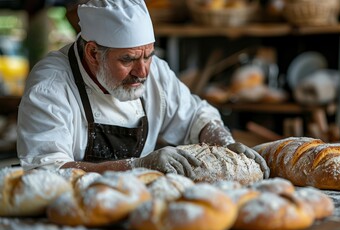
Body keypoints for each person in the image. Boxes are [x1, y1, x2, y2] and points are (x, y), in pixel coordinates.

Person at [17, 0, 269, 179]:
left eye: (148, 55)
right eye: (127, 59)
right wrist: (134, 166)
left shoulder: (155, 71)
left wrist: (225, 143)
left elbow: (195, 116)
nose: (143, 71)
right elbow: (44, 173)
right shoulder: (51, 86)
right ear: (93, 53)